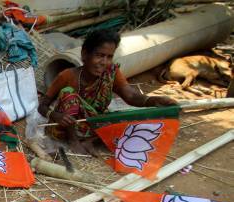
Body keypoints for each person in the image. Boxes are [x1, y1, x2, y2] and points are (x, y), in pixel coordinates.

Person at [38, 30, 177, 155]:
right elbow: (42, 106)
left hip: (95, 125)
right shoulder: (67, 75)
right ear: (84, 54)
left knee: (134, 121)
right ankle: (74, 141)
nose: (104, 62)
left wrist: (152, 101)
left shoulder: (112, 73)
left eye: (109, 57)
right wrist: (55, 115)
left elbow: (131, 96)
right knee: (69, 94)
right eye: (99, 55)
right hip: (66, 128)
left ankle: (91, 140)